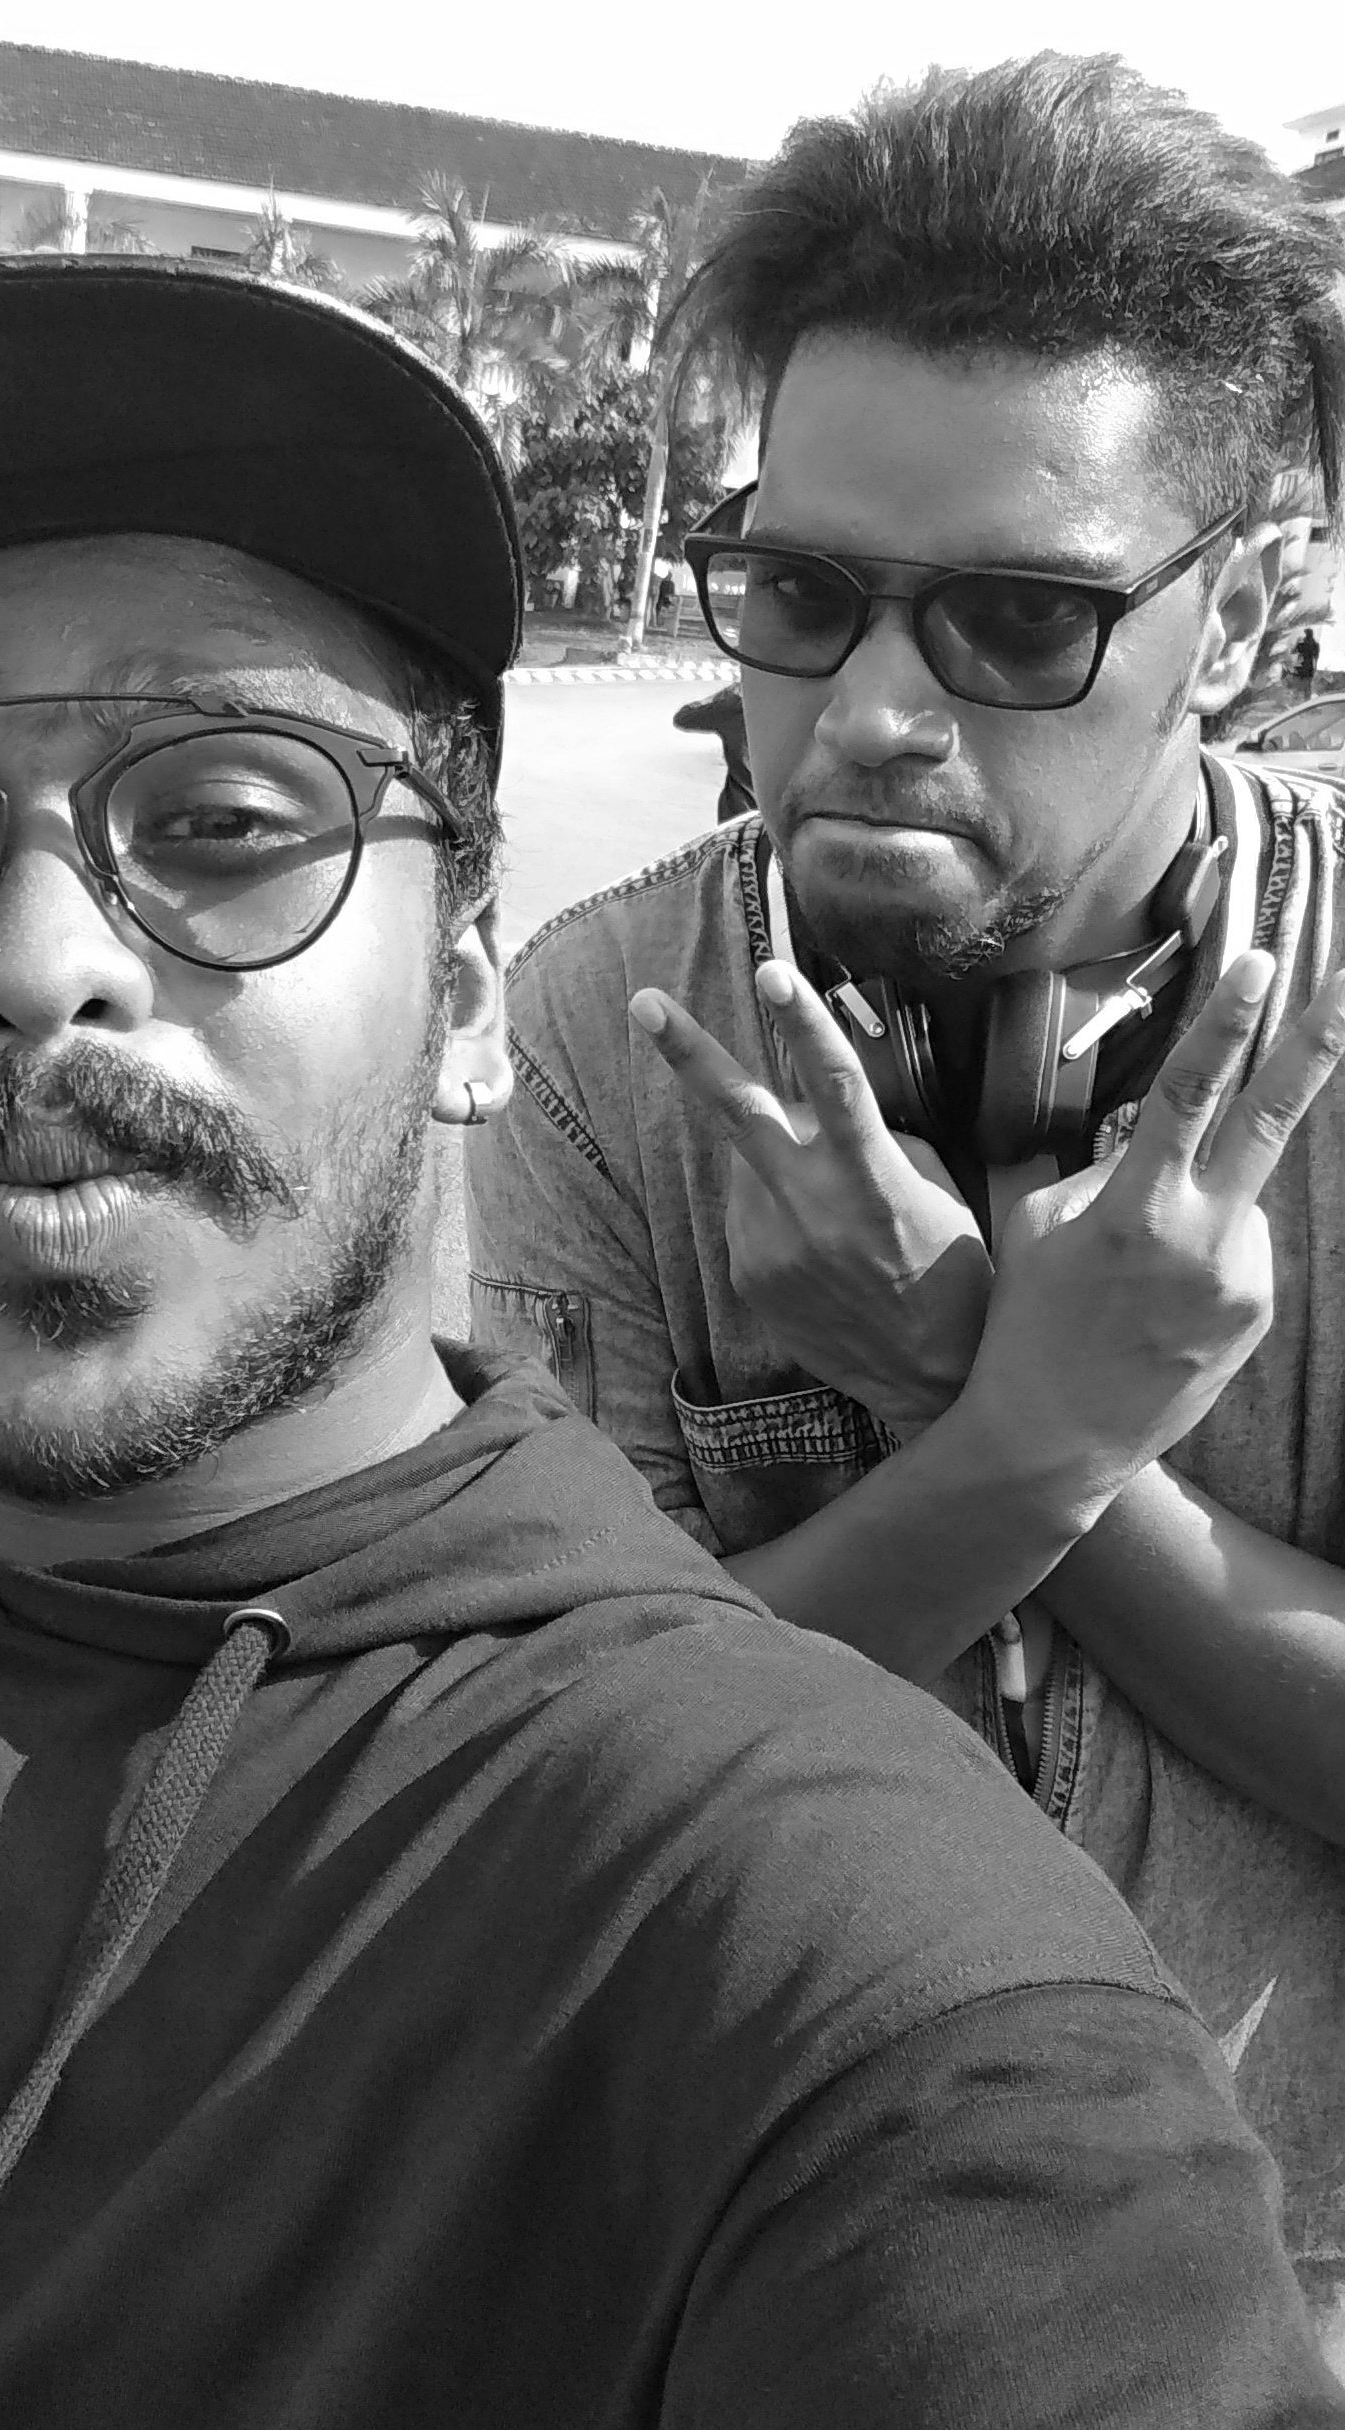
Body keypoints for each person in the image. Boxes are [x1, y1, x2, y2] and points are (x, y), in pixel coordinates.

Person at [0, 259, 1338, 2428]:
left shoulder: (846, 1964)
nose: (37, 963)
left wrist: (1039, 1446)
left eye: (228, 822)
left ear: (468, 988)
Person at [465, 54, 1345, 2364]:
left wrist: (983, 1412)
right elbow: (572, 1779)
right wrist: (1026, 1429)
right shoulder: (608, 1028)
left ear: (1240, 614)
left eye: (1019, 625)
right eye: (801, 593)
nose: (867, 711)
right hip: (751, 2267)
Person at [670, 680, 756, 821]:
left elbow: (683, 717)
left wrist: (724, 695)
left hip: (741, 812)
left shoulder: (732, 707)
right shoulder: (790, 706)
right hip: (784, 813)